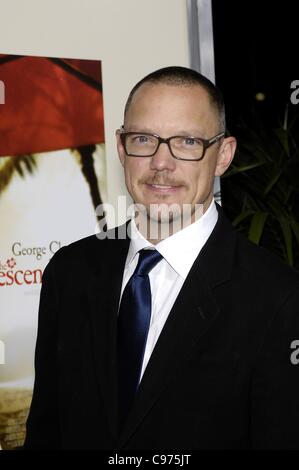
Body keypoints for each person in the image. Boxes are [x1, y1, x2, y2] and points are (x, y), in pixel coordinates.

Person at [24, 66, 299, 450]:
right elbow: (47, 430)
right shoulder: (70, 272)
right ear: (121, 148)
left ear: (223, 155)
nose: (161, 163)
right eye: (143, 139)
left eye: (187, 142)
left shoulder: (276, 298)